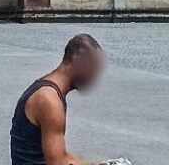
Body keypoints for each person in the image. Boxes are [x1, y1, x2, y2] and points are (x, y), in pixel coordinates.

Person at [10, 33, 110, 165]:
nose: (93, 78)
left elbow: (62, 155)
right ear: (81, 63)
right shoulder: (49, 100)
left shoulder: (48, 90)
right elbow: (58, 162)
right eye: (93, 69)